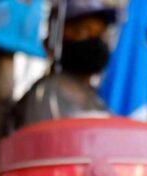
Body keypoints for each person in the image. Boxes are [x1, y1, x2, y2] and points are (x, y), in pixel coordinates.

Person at [8, 0, 117, 133]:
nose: (95, 40)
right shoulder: (47, 93)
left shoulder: (96, 98)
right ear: (53, 42)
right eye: (83, 31)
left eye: (101, 33)